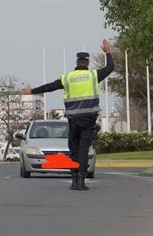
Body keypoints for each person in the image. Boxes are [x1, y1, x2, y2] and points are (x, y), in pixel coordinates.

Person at [21, 39, 114, 191]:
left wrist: (32, 91)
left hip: (73, 120)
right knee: (84, 148)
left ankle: (74, 180)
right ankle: (81, 181)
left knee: (74, 149)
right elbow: (110, 67)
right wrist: (108, 52)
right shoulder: (93, 75)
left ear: (77, 62)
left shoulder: (68, 78)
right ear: (88, 63)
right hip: (88, 119)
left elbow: (50, 87)